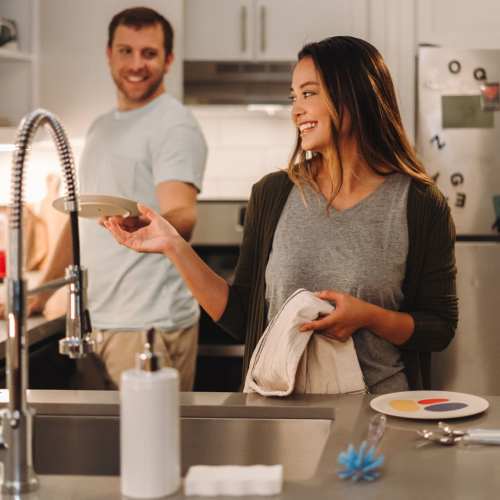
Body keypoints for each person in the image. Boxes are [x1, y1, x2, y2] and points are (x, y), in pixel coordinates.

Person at [104, 36, 458, 394]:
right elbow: (242, 317)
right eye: (294, 97)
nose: (296, 111)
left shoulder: (420, 204)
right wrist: (173, 246)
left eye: (308, 94)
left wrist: (368, 316)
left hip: (378, 409)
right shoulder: (273, 194)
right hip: (280, 410)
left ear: (353, 94)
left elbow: (439, 328)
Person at [0, 7, 207, 391]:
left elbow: (183, 215)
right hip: (104, 321)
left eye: (149, 53)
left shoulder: (173, 124)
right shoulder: (101, 127)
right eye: (126, 51)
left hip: (147, 326)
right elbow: (75, 221)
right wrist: (40, 292)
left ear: (168, 60)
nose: (136, 64)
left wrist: (143, 226)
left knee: (148, 448)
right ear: (109, 53)